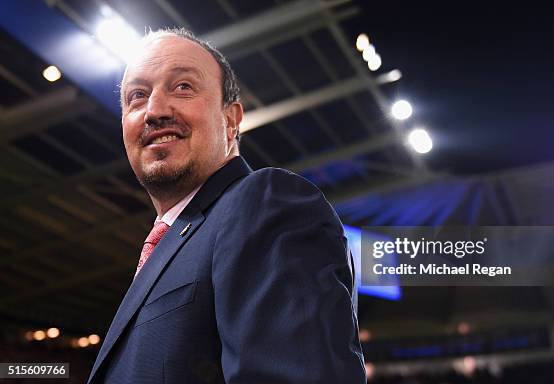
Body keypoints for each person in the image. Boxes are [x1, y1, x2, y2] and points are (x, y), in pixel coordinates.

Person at [87, 28, 366, 384]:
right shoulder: (175, 238)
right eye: (137, 96)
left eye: (183, 87)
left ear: (232, 120)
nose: (154, 110)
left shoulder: (265, 203)